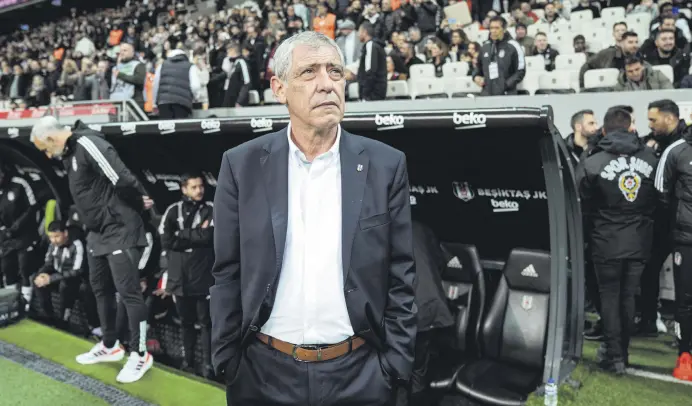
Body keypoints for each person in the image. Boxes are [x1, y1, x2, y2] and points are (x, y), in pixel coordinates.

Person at [211, 31, 417, 406]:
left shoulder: (387, 165)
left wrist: (393, 366)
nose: (327, 84)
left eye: (335, 71)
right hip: (261, 374)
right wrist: (227, 360)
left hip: (361, 376)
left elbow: (402, 275)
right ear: (279, 88)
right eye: (309, 72)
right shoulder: (240, 165)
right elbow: (227, 271)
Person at [29, 117, 154, 384]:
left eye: (44, 147)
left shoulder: (89, 142)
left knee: (128, 293)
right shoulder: (70, 153)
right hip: (98, 233)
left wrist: (140, 203)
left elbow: (120, 177)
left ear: (51, 139)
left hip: (120, 227)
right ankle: (110, 345)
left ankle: (141, 354)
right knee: (100, 288)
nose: (45, 154)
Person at [576, 108, 658, 375]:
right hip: (639, 239)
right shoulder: (651, 159)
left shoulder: (592, 161)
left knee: (609, 297)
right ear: (631, 128)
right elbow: (661, 201)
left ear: (604, 131)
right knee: (628, 297)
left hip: (605, 240)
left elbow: (581, 205)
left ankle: (615, 357)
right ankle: (622, 353)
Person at [159, 172, 215, 379]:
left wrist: (181, 235)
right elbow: (166, 241)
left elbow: (211, 235)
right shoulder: (173, 211)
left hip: (203, 276)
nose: (199, 190)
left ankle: (208, 365)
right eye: (194, 187)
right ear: (183, 189)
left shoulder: (211, 208)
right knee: (185, 323)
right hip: (180, 278)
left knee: (207, 323)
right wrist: (195, 235)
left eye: (200, 186)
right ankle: (187, 361)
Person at [655, 112, 692, 382]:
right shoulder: (676, 151)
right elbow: (661, 194)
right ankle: (685, 354)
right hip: (686, 239)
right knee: (685, 299)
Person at [32, 221, 85, 329]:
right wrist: (42, 275)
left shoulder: (77, 244)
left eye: (56, 236)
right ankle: (49, 316)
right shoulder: (53, 244)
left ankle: (63, 320)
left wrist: (51, 279)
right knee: (36, 279)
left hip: (75, 280)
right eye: (51, 237)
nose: (53, 240)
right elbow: (48, 263)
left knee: (65, 285)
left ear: (65, 233)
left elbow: (77, 271)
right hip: (58, 276)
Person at [0, 165, 40, 309]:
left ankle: (26, 305)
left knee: (25, 269)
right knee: (7, 268)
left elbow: (33, 207)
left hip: (25, 235)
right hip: (6, 238)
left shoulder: (19, 183)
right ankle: (11, 304)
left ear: (3, 172)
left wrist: (15, 228)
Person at [473, 16, 526, 96]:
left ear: (504, 29)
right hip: (487, 94)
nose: (493, 31)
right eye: (491, 28)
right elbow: (478, 67)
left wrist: (505, 85)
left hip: (507, 94)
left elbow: (520, 71)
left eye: (497, 28)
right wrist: (475, 76)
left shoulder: (514, 46)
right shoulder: (485, 46)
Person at [153, 47, 202, 119]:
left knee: (166, 127)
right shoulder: (190, 66)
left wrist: (154, 103)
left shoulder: (161, 66)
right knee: (181, 127)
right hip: (182, 103)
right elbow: (195, 86)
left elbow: (156, 85)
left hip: (163, 103)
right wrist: (196, 97)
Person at [357, 21, 387, 101]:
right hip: (376, 92)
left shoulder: (370, 45)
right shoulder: (376, 45)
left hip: (372, 94)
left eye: (359, 31)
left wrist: (365, 94)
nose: (358, 34)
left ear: (364, 32)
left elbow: (370, 71)